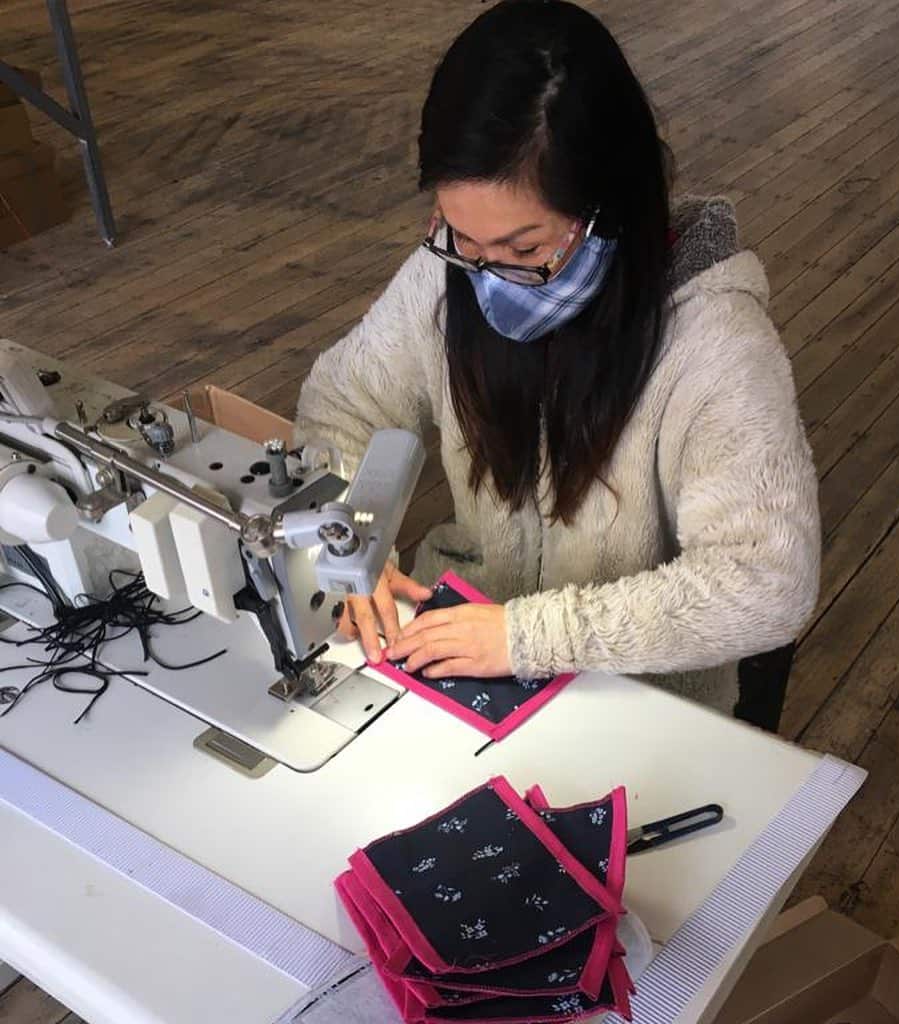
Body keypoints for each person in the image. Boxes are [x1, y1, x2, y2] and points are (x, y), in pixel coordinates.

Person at [294, 0, 820, 723]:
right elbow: (347, 400)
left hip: (634, 698)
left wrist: (526, 636)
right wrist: (349, 539)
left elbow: (765, 580)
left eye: (523, 251)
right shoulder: (446, 273)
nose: (484, 278)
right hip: (448, 642)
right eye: (460, 239)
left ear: (611, 206)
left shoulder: (715, 341)